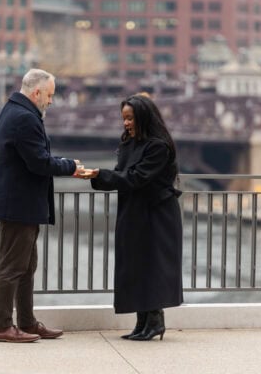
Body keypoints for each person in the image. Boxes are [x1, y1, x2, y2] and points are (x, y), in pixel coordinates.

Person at [0, 68, 85, 343]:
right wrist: (71, 167)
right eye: (50, 95)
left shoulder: (12, 111)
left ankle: (27, 322)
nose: (51, 101)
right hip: (17, 206)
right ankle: (2, 326)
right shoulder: (24, 118)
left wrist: (62, 162)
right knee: (12, 268)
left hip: (13, 203)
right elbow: (39, 162)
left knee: (26, 267)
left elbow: (34, 156)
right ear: (37, 92)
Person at [81, 94, 183, 341]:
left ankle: (155, 322)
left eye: (130, 118)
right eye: (124, 118)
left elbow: (136, 178)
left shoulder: (158, 146)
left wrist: (99, 174)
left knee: (152, 266)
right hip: (134, 212)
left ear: (143, 117)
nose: (125, 123)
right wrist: (96, 176)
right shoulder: (129, 143)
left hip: (156, 216)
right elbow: (122, 175)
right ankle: (142, 323)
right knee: (135, 265)